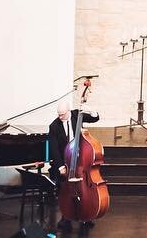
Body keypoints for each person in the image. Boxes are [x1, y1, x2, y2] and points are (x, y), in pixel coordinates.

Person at [49, 98, 100, 230]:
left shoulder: (77, 115)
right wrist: (60, 166)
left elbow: (95, 118)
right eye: (58, 114)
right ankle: (66, 217)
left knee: (84, 188)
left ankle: (87, 215)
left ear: (69, 111)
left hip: (82, 159)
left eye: (62, 114)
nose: (60, 117)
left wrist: (90, 110)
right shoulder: (54, 126)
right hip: (65, 161)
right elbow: (54, 149)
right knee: (64, 188)